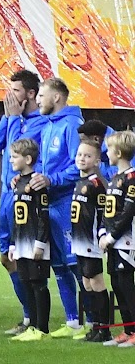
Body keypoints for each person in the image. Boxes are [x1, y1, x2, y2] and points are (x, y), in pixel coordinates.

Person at [0, 68, 46, 335]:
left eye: (15, 91)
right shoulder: (12, 117)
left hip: (25, 198)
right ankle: (28, 316)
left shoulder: (41, 123)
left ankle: (37, 319)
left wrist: (13, 120)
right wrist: (8, 118)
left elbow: (15, 150)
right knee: (6, 257)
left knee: (31, 260)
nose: (9, 96)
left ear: (31, 94)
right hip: (6, 197)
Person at [31, 75, 84, 336]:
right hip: (48, 203)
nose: (37, 100)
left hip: (67, 202)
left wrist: (53, 179)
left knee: (77, 264)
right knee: (59, 265)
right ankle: (73, 320)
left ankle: (93, 320)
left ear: (56, 97)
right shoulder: (47, 125)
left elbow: (80, 165)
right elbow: (43, 164)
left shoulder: (72, 124)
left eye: (41, 95)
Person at [10, 136, 52, 341]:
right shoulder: (17, 182)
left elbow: (43, 215)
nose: (10, 160)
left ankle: (41, 328)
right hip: (20, 242)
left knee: (38, 284)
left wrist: (40, 243)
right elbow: (15, 216)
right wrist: (12, 243)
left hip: (35, 242)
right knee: (26, 282)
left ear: (28, 159)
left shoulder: (37, 183)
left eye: (14, 156)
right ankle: (32, 326)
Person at [71, 133, 109, 342]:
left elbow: (104, 212)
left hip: (91, 242)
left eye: (87, 156)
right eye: (79, 154)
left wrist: (102, 233)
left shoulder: (97, 184)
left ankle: (105, 327)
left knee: (96, 281)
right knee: (86, 282)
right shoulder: (80, 181)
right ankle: (95, 325)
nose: (82, 158)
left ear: (97, 161)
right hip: (78, 240)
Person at [100, 131, 135, 347]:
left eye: (109, 149)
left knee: (126, 284)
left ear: (119, 152)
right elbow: (107, 211)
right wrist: (103, 233)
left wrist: (112, 236)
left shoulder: (132, 179)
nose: (106, 153)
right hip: (112, 241)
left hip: (127, 241)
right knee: (116, 284)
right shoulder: (114, 179)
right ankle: (127, 329)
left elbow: (128, 212)